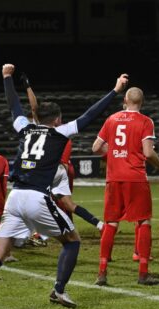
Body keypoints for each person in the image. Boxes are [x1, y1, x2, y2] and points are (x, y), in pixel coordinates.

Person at [0, 64, 128, 309]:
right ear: (58, 119)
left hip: (15, 196)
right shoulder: (60, 132)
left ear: (37, 117)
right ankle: (59, 290)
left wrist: (7, 78)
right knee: (72, 241)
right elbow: (91, 115)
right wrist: (115, 91)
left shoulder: (25, 128)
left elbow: (14, 106)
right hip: (37, 196)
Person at [92, 87, 159, 287]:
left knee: (111, 223)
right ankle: (143, 273)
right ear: (143, 101)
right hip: (135, 178)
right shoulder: (146, 121)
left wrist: (115, 154)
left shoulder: (112, 119)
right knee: (143, 221)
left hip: (113, 178)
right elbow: (148, 153)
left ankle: (102, 273)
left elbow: (96, 147)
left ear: (125, 99)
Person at [21, 72, 104, 234]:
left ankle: (38, 233)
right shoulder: (63, 132)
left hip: (52, 169)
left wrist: (27, 86)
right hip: (61, 171)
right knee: (68, 205)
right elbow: (88, 116)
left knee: (33, 200)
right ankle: (100, 225)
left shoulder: (41, 127)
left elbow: (33, 106)